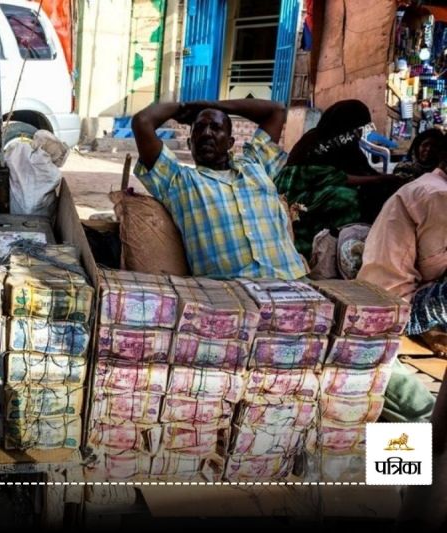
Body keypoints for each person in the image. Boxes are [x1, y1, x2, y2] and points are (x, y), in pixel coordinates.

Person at [132, 98, 307, 281]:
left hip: (293, 280)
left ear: (230, 142)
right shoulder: (178, 181)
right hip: (230, 292)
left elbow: (276, 110)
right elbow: (142, 121)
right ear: (190, 143)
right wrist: (183, 107)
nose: (207, 133)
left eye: (216, 128)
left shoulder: (256, 164)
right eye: (199, 128)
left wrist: (214, 105)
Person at [357, 134, 447, 425]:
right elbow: (435, 268)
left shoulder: (431, 187)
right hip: (396, 308)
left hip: (386, 305)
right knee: (420, 419)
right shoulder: (438, 195)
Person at [274, 100, 404, 259]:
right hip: (298, 197)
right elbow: (332, 177)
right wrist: (379, 179)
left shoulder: (347, 144)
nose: (360, 132)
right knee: (348, 199)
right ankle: (329, 249)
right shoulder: (315, 141)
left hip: (320, 191)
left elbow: (361, 170)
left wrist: (388, 181)